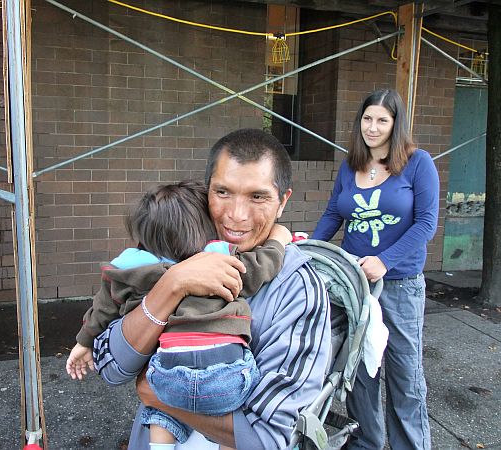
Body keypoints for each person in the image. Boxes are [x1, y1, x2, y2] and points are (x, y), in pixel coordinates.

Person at [84, 128, 331, 449]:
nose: (236, 215)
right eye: (223, 192)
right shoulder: (172, 253)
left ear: (282, 201)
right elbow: (111, 368)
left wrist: (159, 395)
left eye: (257, 197)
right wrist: (172, 284)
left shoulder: (298, 291)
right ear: (206, 192)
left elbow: (270, 438)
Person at [66, 179, 292, 449]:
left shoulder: (130, 269)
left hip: (168, 374)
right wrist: (279, 239)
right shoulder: (218, 260)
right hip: (225, 377)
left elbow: (103, 307)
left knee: (159, 405)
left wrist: (84, 341)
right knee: (238, 409)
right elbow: (260, 266)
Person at [312, 89, 438, 449]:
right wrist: (308, 250)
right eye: (367, 118)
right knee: (359, 371)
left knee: (404, 374)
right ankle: (367, 442)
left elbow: (426, 223)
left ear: (396, 124)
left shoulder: (418, 163)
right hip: (353, 285)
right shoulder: (350, 165)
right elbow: (334, 213)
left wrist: (384, 261)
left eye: (382, 120)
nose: (373, 127)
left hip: (399, 285)